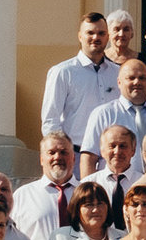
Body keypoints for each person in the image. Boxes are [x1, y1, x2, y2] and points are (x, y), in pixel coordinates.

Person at [42, 13, 119, 150]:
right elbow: (51, 120)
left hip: (111, 155)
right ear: (80, 36)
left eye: (101, 33)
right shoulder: (63, 72)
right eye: (90, 33)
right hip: (76, 153)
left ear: (107, 37)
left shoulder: (118, 73)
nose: (96, 37)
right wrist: (61, 152)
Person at [84, 58, 146, 154]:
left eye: (142, 78)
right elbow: (89, 156)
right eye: (131, 78)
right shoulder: (104, 114)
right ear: (119, 82)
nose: (137, 82)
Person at [8, 132, 79, 240]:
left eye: (63, 152)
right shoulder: (23, 195)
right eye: (51, 152)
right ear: (41, 159)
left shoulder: (88, 194)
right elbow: (11, 237)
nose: (57, 157)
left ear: (73, 158)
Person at [75, 122, 141, 226]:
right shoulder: (87, 184)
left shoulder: (143, 183)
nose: (117, 151)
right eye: (112, 146)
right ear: (102, 150)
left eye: (123, 146)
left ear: (133, 150)